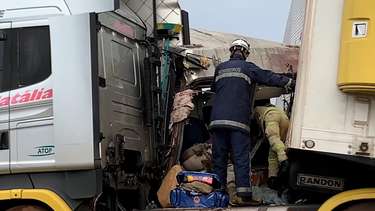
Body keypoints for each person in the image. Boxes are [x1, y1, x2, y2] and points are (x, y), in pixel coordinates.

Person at [209, 39, 295, 204]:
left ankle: (217, 195)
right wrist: (289, 82)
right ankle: (244, 196)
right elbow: (268, 77)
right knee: (240, 158)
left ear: (231, 51)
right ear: (245, 53)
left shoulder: (219, 69)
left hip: (217, 121)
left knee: (218, 158)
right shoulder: (248, 68)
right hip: (238, 122)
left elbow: (214, 89)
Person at [254, 100, 290, 190]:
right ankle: (272, 178)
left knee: (273, 138)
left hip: (271, 116)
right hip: (285, 118)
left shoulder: (255, 109)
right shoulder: (271, 107)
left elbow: (257, 129)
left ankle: (284, 160)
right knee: (273, 150)